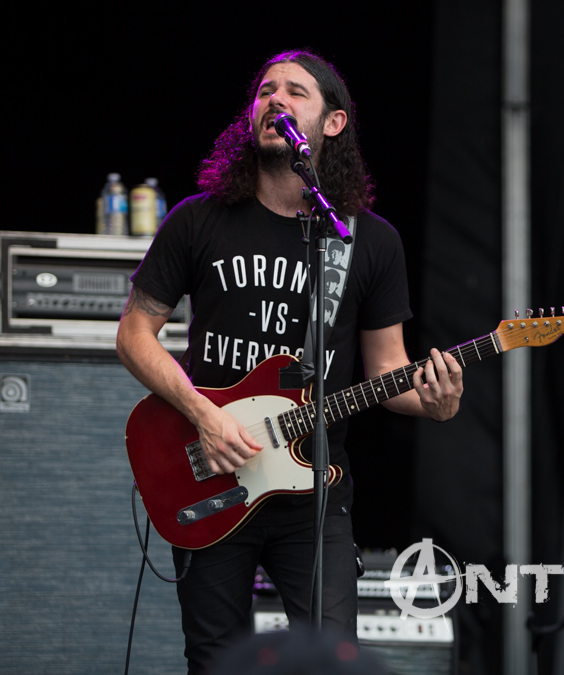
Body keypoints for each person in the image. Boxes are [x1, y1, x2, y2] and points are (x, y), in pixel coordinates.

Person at [116, 49, 463, 673]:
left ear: (332, 122)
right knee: (214, 660)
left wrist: (436, 404)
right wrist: (204, 415)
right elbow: (134, 334)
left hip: (313, 495)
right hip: (213, 475)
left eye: (296, 91)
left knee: (333, 660)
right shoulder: (198, 221)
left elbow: (388, 373)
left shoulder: (367, 240)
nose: (274, 99)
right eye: (265, 90)